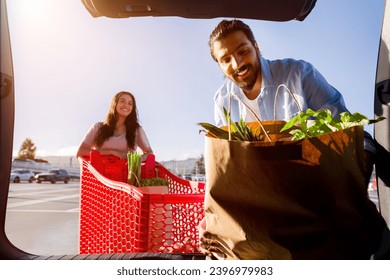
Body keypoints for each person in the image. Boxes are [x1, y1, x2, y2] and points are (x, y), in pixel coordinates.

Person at [199, 19, 383, 258]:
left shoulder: (298, 74)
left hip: (313, 201)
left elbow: (349, 134)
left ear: (256, 46)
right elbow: (226, 168)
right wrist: (212, 220)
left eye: (243, 51)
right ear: (220, 65)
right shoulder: (223, 100)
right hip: (260, 210)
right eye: (226, 59)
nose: (238, 63)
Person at [76, 91, 153, 161]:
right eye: (122, 101)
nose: (126, 105)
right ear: (115, 104)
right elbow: (80, 152)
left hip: (125, 174)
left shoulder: (136, 130)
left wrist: (138, 159)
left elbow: (149, 153)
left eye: (130, 103)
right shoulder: (98, 127)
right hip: (98, 174)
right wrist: (110, 152)